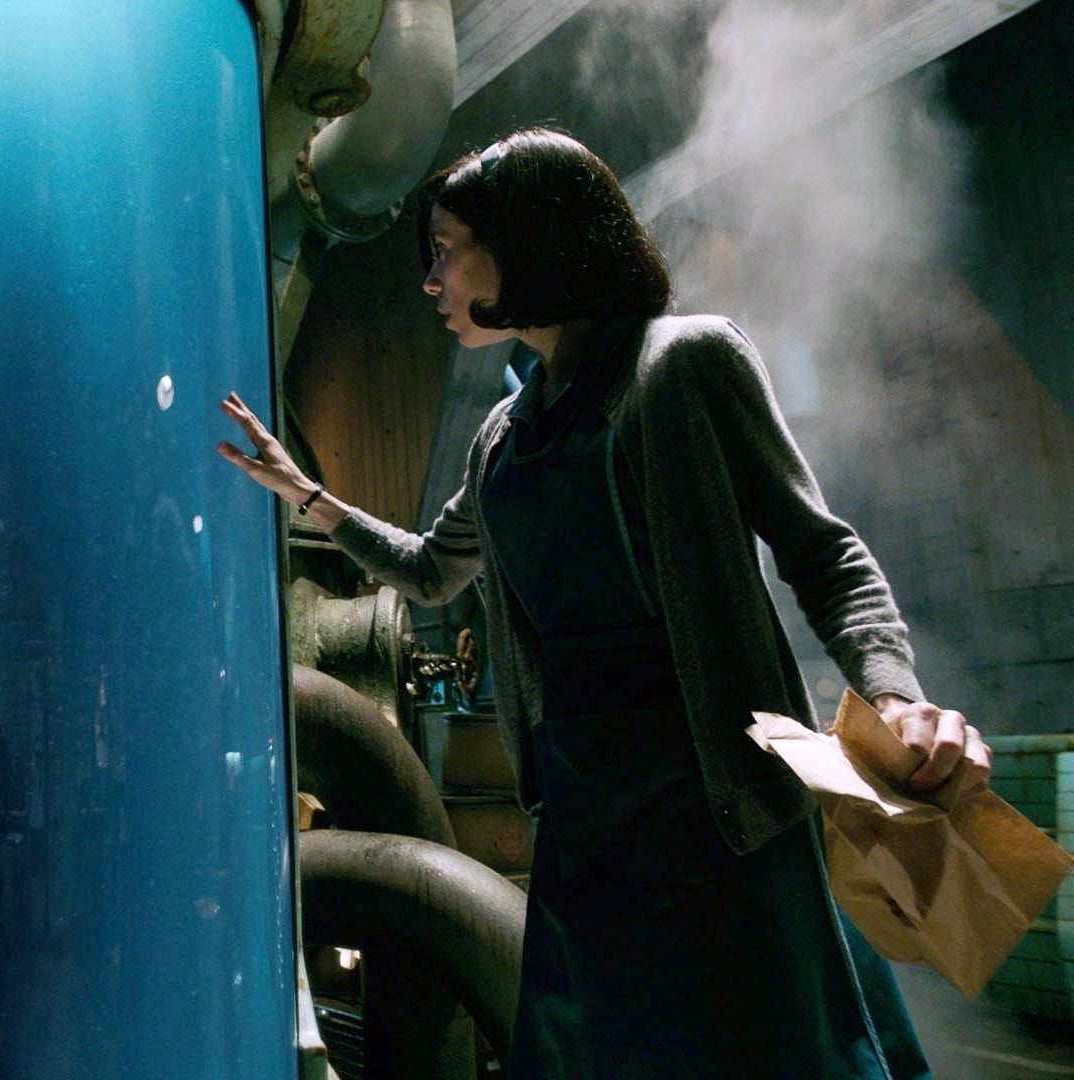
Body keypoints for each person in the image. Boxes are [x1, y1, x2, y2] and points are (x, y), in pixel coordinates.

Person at [218, 127, 990, 1078]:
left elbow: (822, 553)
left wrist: (897, 695)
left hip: (716, 815)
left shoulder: (686, 365)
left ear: (528, 242)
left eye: (447, 251)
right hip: (583, 824)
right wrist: (306, 495)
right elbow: (429, 569)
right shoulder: (504, 436)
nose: (431, 281)